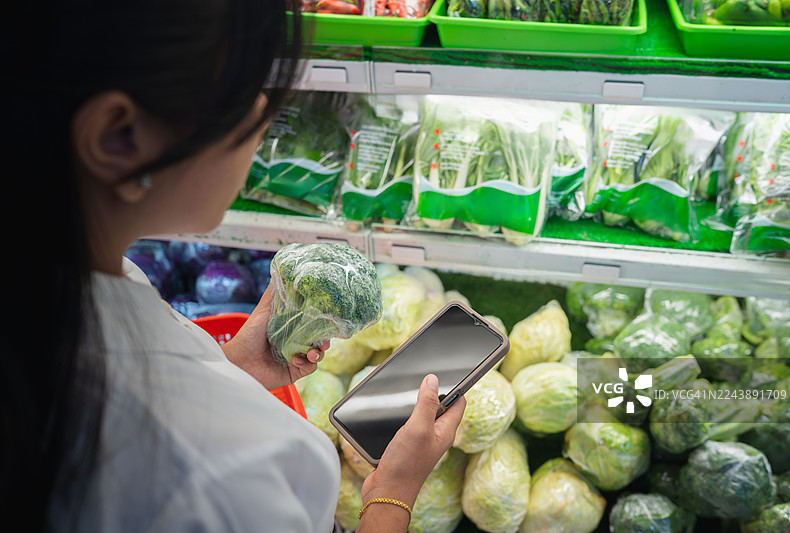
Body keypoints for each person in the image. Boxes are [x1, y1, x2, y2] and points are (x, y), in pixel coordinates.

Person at [0, 1, 466, 532]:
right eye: (248, 87)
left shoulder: (68, 282)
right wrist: (394, 492)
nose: (265, 115)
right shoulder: (226, 473)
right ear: (118, 135)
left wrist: (234, 371)